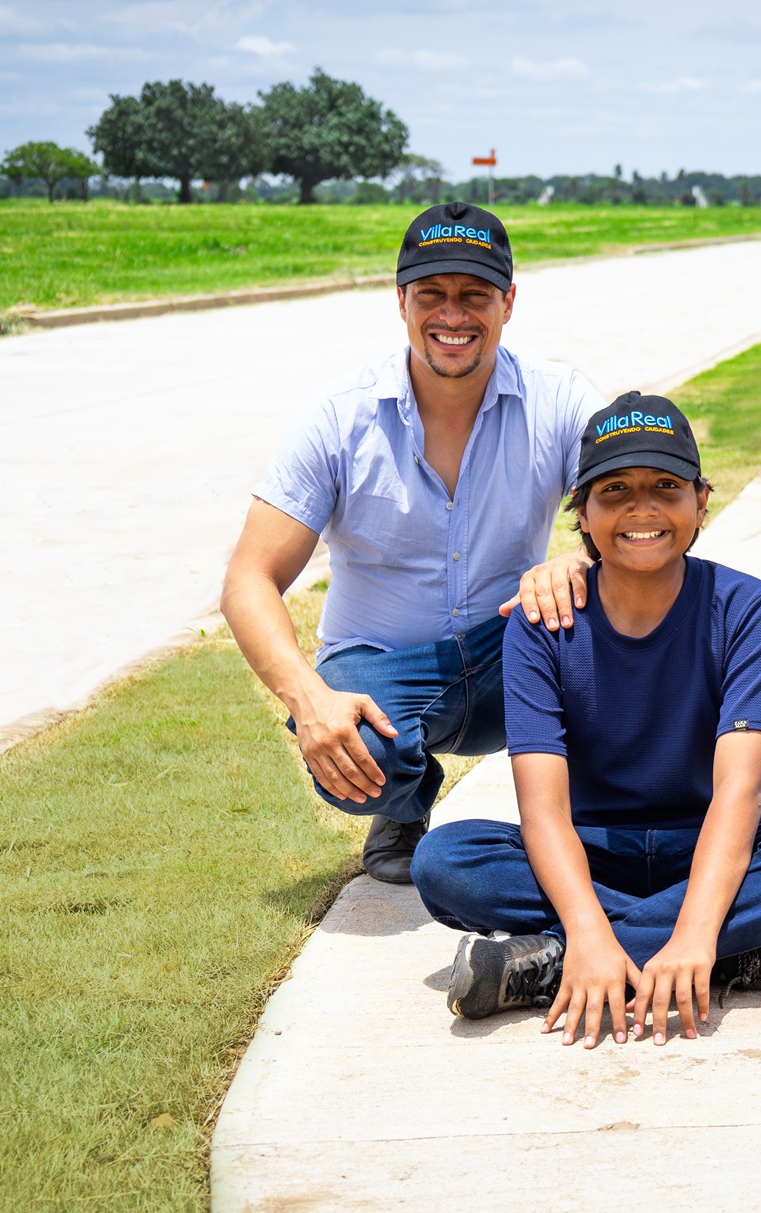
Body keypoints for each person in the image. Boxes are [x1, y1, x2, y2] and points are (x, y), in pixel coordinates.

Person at [412, 393, 761, 1046]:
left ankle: (547, 964)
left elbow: (740, 792)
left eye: (666, 486)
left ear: (701, 499)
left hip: (712, 847)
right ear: (582, 511)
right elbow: (541, 810)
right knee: (445, 861)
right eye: (616, 490)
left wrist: (688, 932)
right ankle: (740, 956)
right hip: (590, 853)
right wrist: (592, 924)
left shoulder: (748, 609)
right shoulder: (540, 624)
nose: (643, 509)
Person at [221, 202, 599, 884]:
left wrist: (581, 557)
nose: (453, 316)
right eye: (432, 295)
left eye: (474, 296)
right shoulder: (339, 416)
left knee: (619, 623)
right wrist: (308, 698)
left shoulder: (559, 399)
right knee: (356, 751)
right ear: (400, 301)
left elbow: (646, 508)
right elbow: (249, 579)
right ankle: (402, 800)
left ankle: (604, 817)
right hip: (382, 666)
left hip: (507, 648)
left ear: (508, 301)